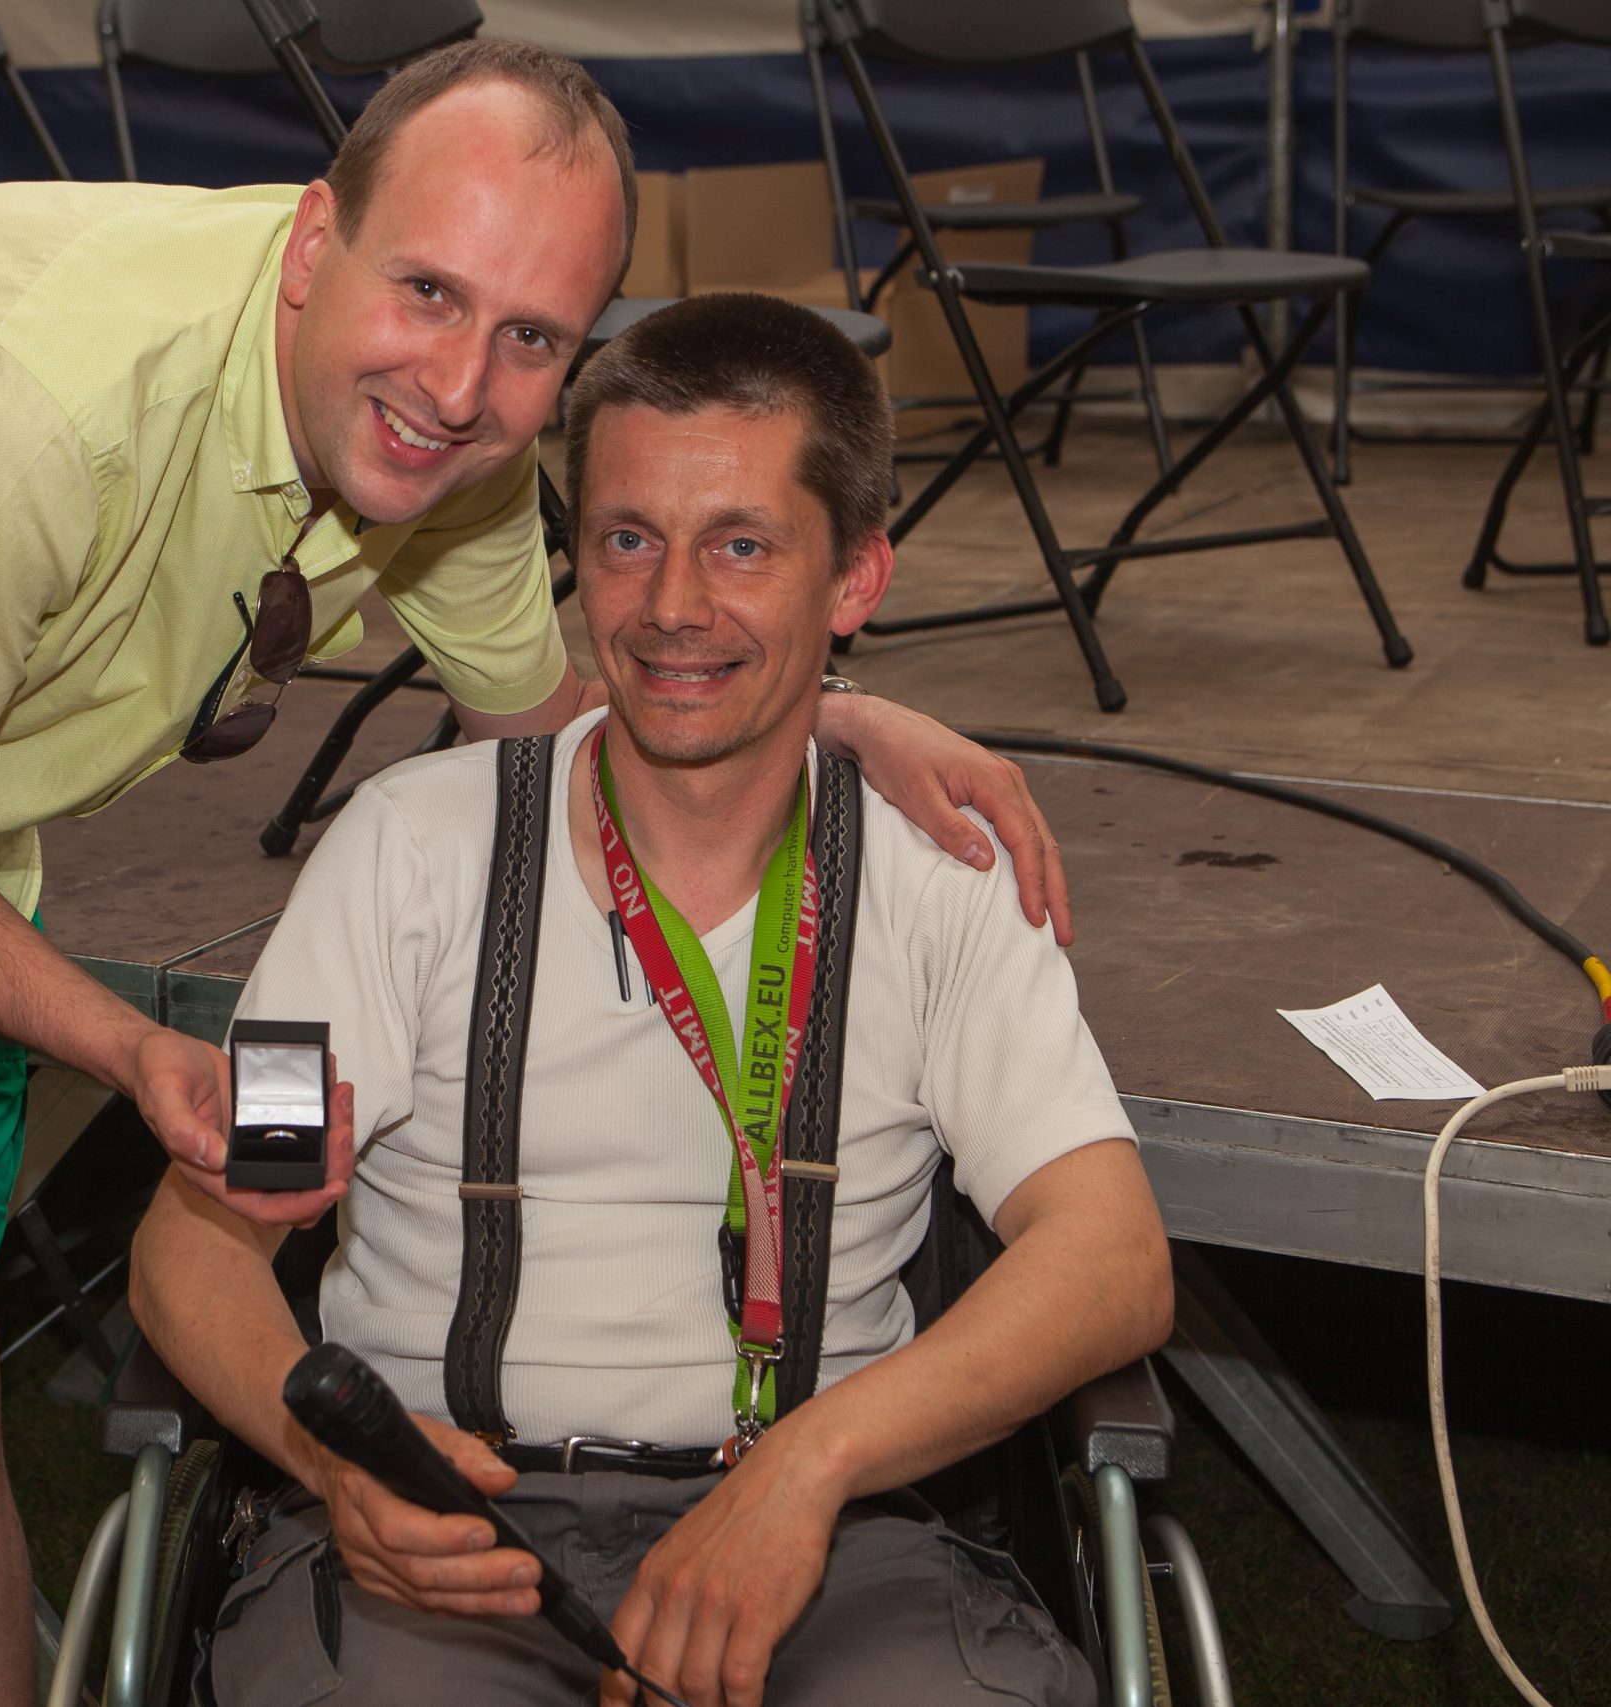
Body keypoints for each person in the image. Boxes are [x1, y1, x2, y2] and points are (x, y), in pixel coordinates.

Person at [0, 41, 1076, 1707]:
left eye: (531, 337)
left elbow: (552, 719)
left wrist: (816, 704)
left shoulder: (459, 453)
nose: (461, 383)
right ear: (314, 240)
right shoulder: (42, 402)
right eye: (428, 290)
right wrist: (134, 1049)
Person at [128, 292, 1174, 1707]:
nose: (673, 605)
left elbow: (1113, 1257)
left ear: (855, 578)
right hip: (446, 1535)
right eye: (629, 539)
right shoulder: (401, 851)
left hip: (832, 1530)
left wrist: (812, 1464)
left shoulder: (945, 878)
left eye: (740, 545)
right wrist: (330, 1460)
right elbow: (198, 1240)